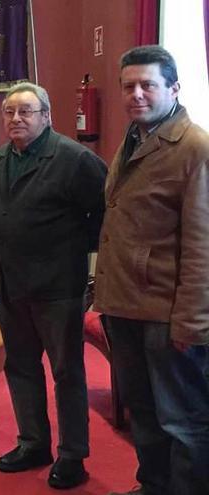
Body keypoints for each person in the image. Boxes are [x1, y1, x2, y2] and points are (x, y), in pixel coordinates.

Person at [0, 83, 106, 489]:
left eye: (26, 112)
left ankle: (72, 455)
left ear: (46, 116)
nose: (15, 118)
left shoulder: (75, 159)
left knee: (66, 372)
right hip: (9, 285)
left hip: (57, 287)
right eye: (9, 112)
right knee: (21, 367)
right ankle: (32, 442)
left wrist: (70, 253)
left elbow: (102, 217)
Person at [96, 45, 209, 495]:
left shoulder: (194, 148)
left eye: (148, 85)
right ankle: (154, 485)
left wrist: (192, 321)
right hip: (123, 304)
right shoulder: (134, 137)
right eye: (129, 86)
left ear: (174, 88)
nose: (136, 94)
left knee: (182, 419)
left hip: (167, 315)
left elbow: (202, 246)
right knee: (143, 411)